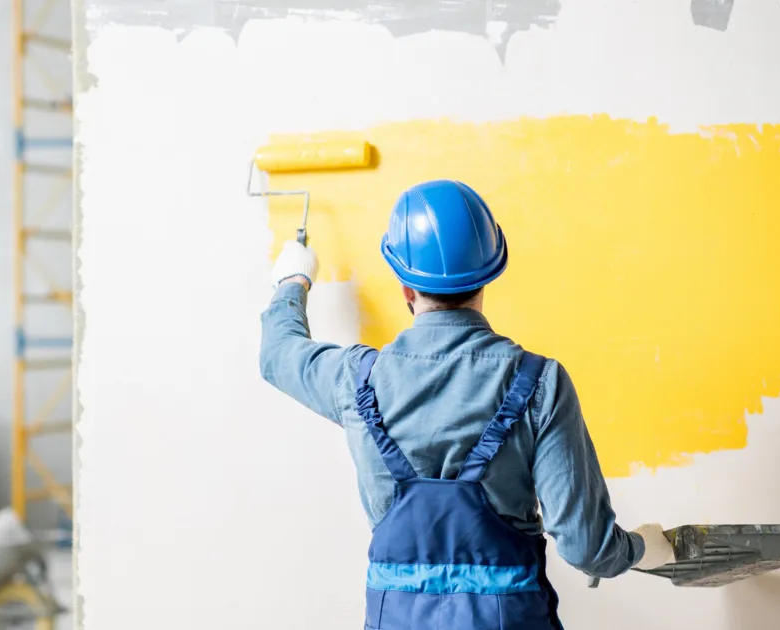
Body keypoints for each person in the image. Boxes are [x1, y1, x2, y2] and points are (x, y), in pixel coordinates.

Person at [259, 179, 675, 629]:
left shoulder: (354, 380)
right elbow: (588, 549)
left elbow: (277, 354)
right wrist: (645, 546)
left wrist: (293, 279)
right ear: (489, 275)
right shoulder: (539, 382)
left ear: (405, 289)